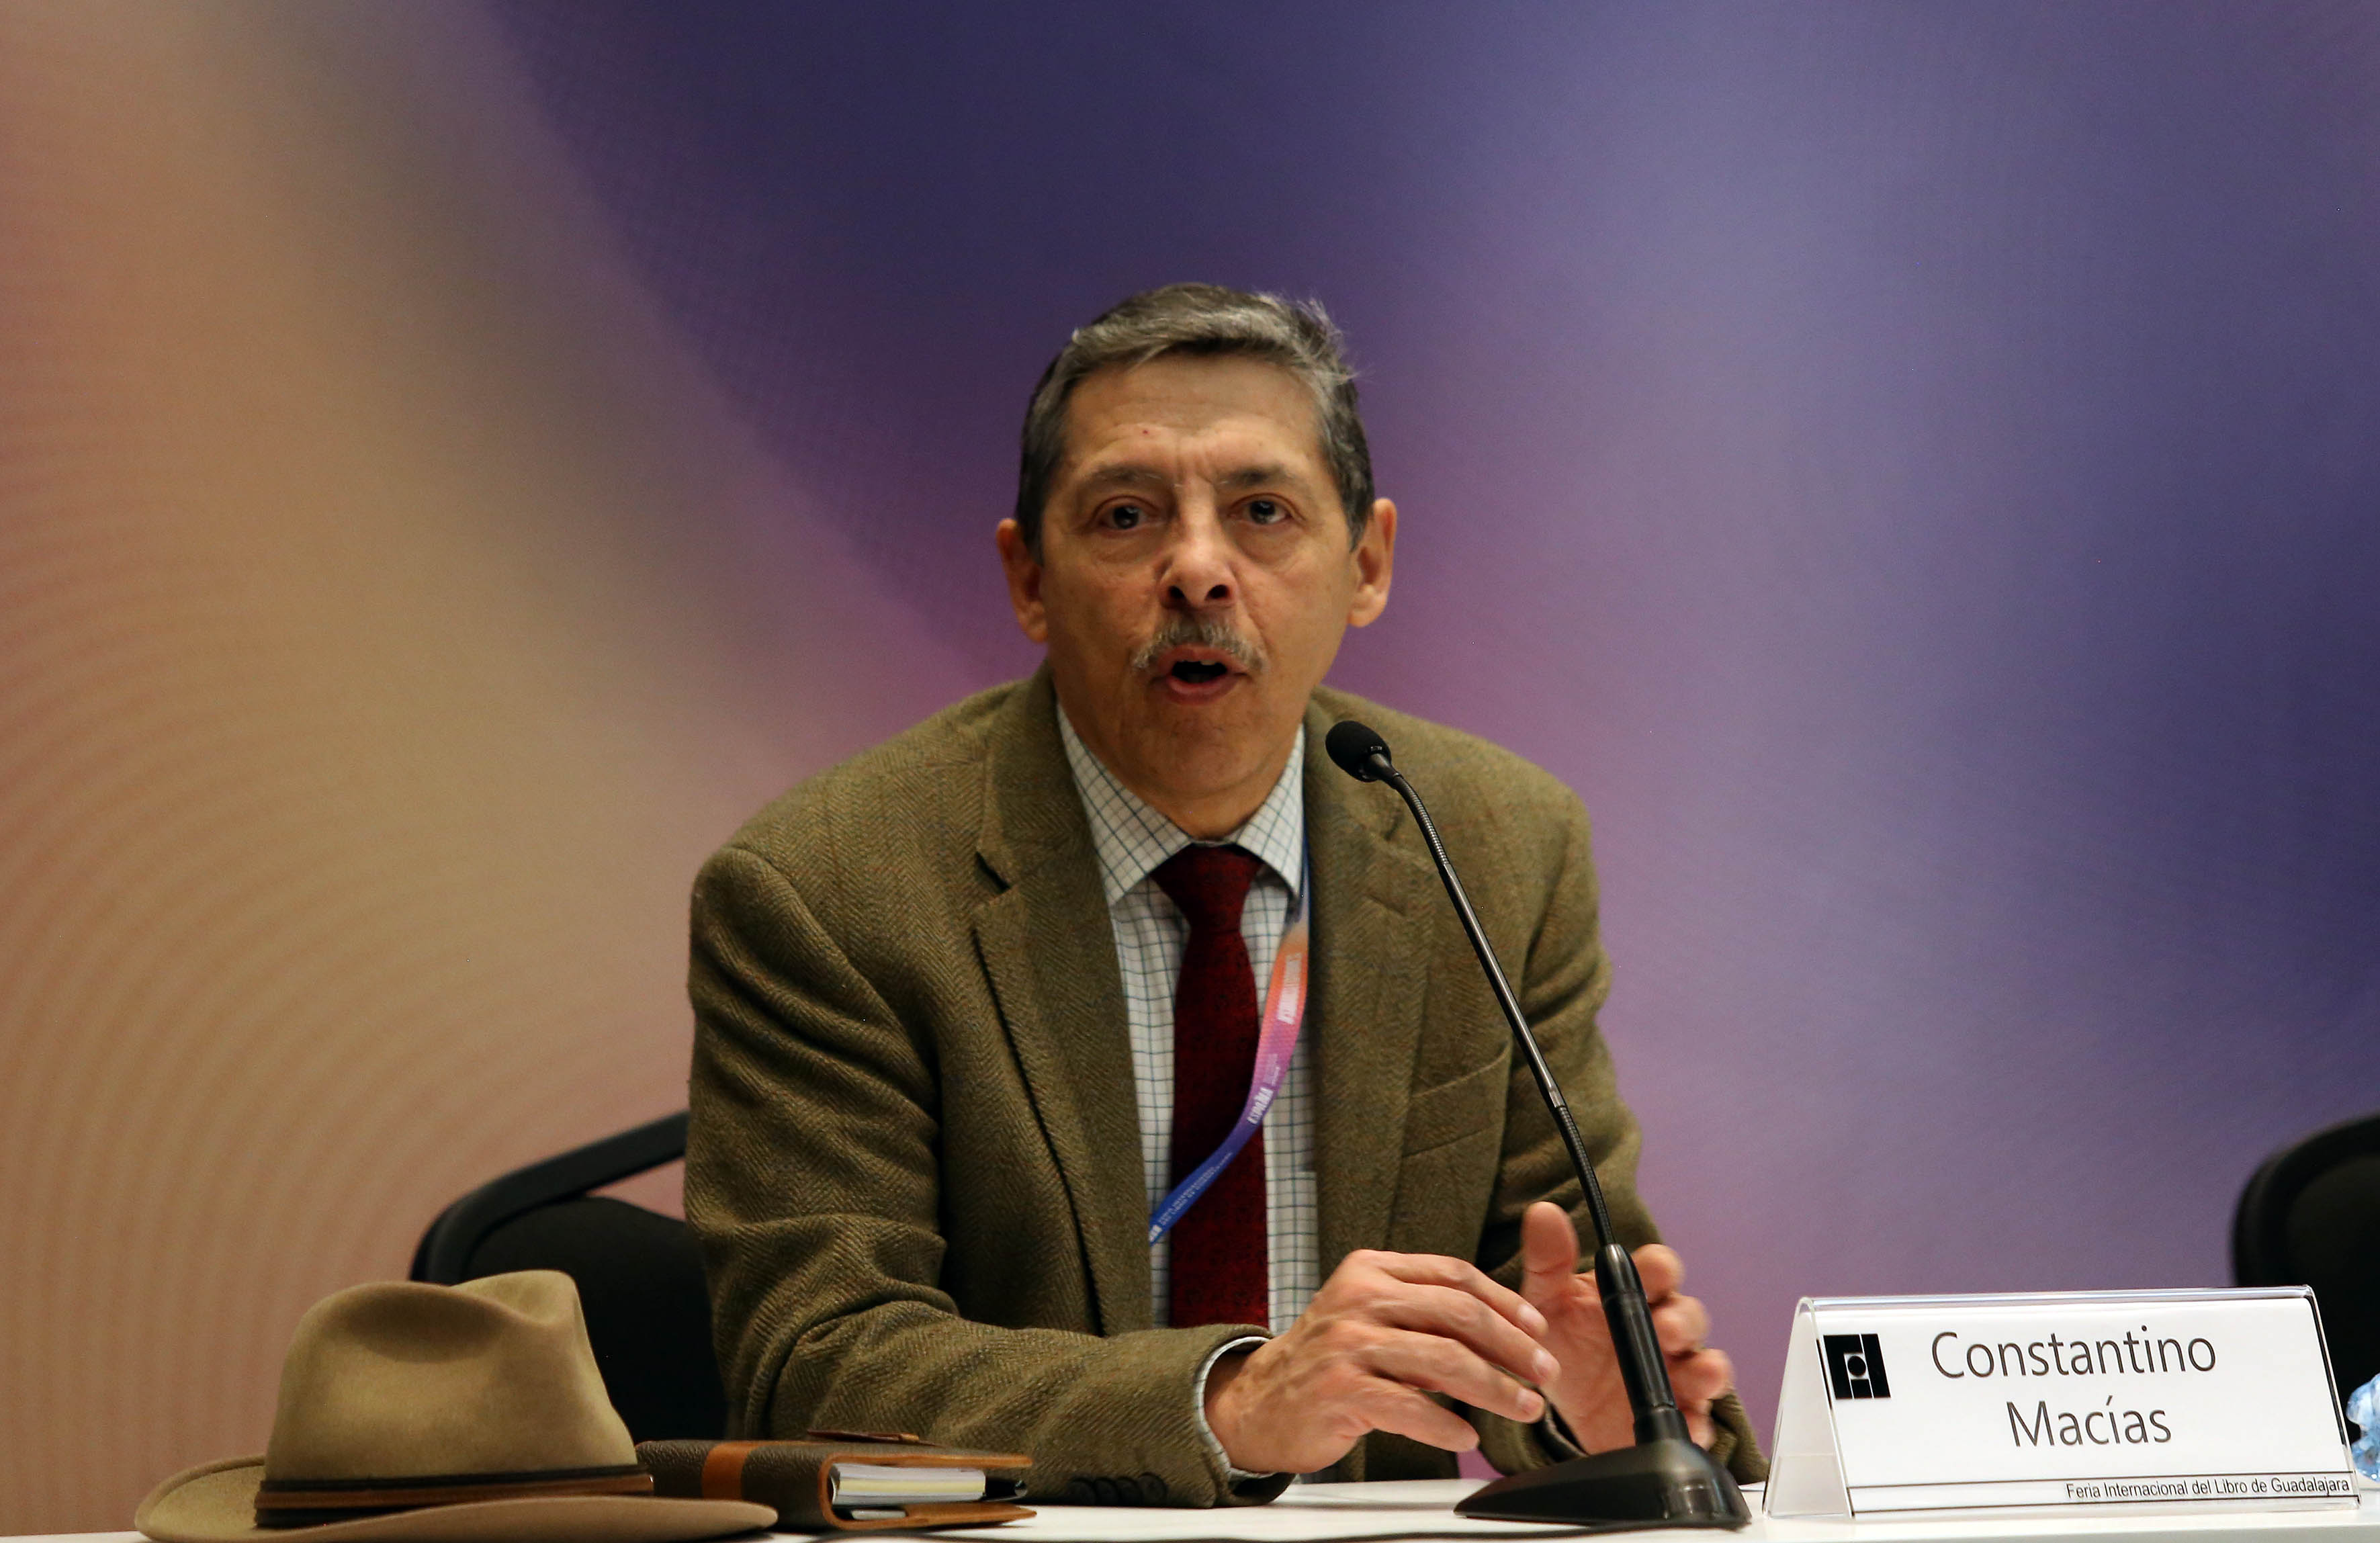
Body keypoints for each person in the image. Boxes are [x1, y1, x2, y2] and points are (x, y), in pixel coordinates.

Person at [685, 283, 1762, 1506]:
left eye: (1261, 511)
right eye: (1127, 515)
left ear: (1366, 564)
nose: (1198, 568)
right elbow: (816, 1357)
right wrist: (1231, 1402)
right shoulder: (828, 889)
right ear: (1028, 578)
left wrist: (1596, 1408)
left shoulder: (1496, 844)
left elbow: (1560, 1265)